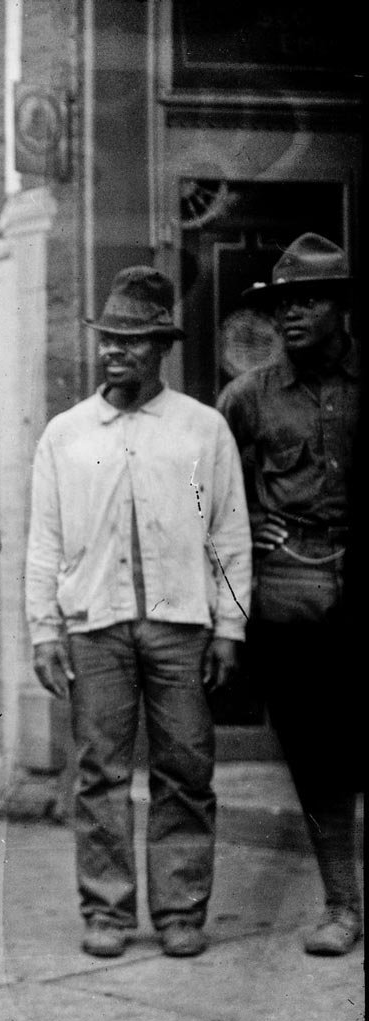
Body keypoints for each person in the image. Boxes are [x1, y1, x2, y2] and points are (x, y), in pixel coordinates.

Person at [26, 266, 250, 962]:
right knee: (99, 771)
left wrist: (230, 627)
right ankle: (108, 911)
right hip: (96, 626)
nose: (116, 352)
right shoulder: (65, 434)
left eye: (133, 341)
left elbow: (229, 533)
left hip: (180, 625)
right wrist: (43, 629)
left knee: (186, 767)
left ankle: (181, 909)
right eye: (109, 339)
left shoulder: (201, 428)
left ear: (162, 348)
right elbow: (46, 542)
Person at [218, 234, 361, 955]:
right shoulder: (248, 397)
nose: (291, 316)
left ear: (341, 307)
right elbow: (205, 490)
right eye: (281, 305)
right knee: (319, 756)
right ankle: (342, 905)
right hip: (291, 599)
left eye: (308, 299)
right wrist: (251, 525)